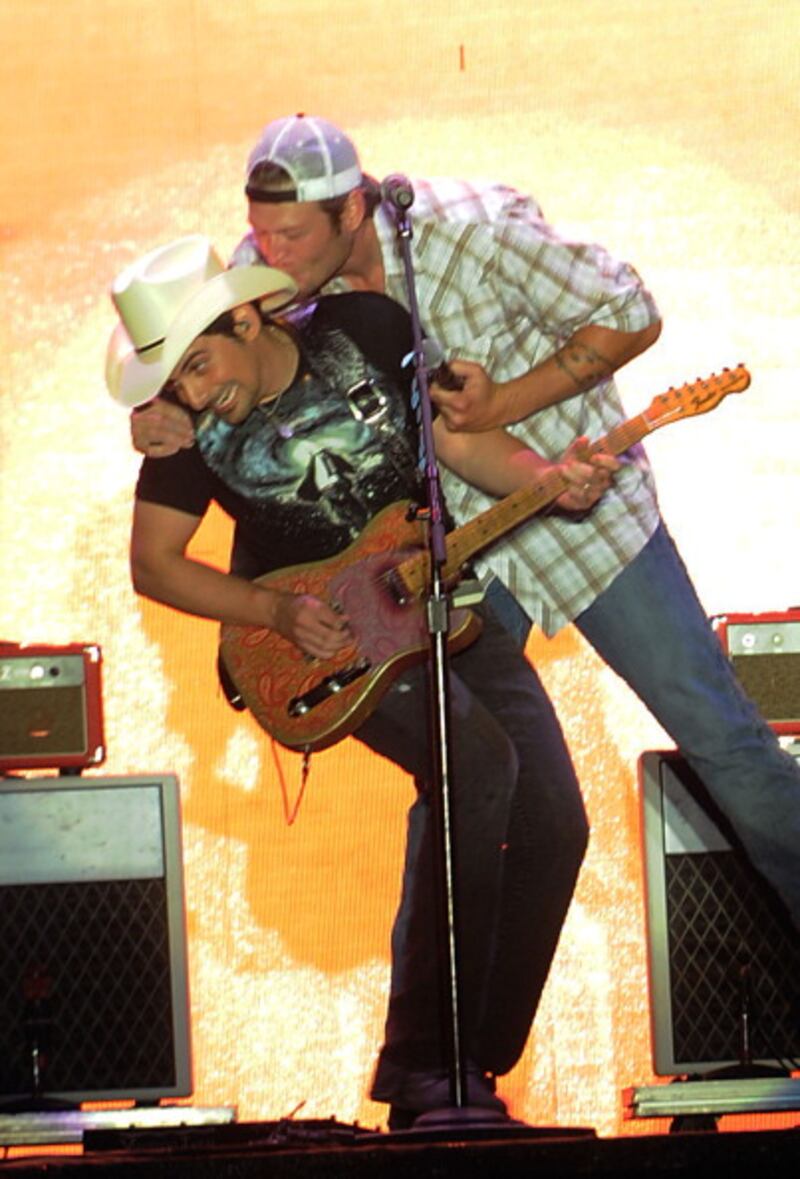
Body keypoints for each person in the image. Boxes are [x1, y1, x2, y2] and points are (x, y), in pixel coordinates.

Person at [130, 115, 800, 936]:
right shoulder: (268, 280)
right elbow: (193, 355)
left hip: (578, 516)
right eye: (260, 232)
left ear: (352, 209)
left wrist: (506, 404)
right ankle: (442, 1020)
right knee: (457, 783)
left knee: (724, 742)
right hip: (441, 564)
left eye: (290, 235)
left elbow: (632, 310)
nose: (270, 253)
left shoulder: (475, 229)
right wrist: (159, 409)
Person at [106, 234, 619, 1126]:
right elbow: (153, 563)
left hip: (446, 601)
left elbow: (460, 444)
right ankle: (426, 1066)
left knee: (557, 819)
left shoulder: (370, 329)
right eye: (173, 380)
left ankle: (471, 1060)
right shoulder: (188, 432)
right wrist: (271, 610)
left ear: (246, 318)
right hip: (330, 644)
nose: (191, 391)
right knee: (474, 765)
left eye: (197, 364)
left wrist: (549, 478)